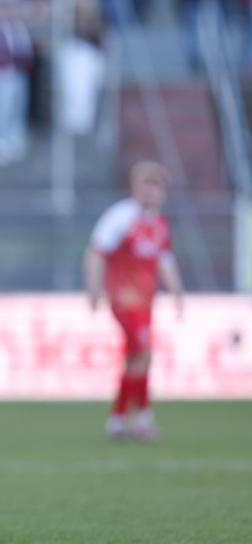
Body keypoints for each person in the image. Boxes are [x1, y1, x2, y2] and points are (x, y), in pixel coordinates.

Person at [85, 161, 184, 440]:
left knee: (137, 357)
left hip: (146, 300)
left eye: (157, 186)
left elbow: (165, 261)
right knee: (142, 354)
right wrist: (94, 290)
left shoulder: (159, 223)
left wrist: (178, 294)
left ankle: (120, 421)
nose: (152, 191)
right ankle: (140, 419)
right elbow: (95, 252)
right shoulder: (121, 217)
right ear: (135, 187)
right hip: (124, 298)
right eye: (146, 184)